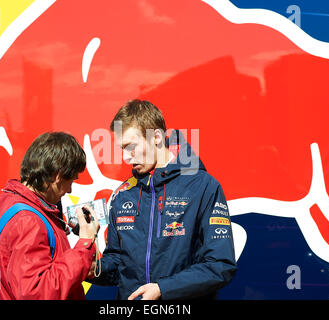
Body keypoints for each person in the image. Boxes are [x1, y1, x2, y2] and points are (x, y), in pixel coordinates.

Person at [88, 99, 237, 300]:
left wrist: (163, 289)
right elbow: (117, 263)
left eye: (130, 146)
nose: (125, 157)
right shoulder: (123, 194)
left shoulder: (203, 186)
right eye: (121, 149)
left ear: (156, 137)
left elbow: (220, 265)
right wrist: (91, 269)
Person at [0, 131, 100, 299]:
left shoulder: (10, 202)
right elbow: (37, 292)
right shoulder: (28, 221)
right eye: (71, 181)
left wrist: (79, 264)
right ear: (58, 175)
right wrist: (84, 245)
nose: (69, 190)